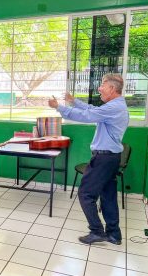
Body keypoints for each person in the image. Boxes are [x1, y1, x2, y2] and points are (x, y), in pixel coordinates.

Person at [48, 73, 129, 245]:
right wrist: (73, 101)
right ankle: (114, 234)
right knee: (108, 196)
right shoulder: (116, 105)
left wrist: (59, 107)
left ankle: (97, 231)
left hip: (104, 159)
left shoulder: (113, 107)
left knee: (85, 194)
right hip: (111, 158)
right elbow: (92, 110)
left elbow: (86, 116)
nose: (99, 88)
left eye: (102, 84)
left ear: (112, 89)